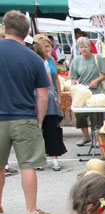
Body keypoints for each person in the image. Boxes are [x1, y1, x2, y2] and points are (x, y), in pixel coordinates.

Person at [0, 10, 53, 214]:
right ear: (27, 32)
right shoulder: (34, 58)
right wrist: (38, 121)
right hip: (24, 116)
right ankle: (31, 210)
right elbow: (43, 95)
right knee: (27, 165)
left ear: (5, 28)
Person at [33, 34, 67, 171]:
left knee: (49, 128)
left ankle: (53, 159)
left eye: (49, 46)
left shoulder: (49, 60)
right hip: (39, 96)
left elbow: (54, 79)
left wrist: (56, 96)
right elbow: (46, 81)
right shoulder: (38, 61)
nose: (48, 48)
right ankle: (41, 159)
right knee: (39, 130)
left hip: (45, 96)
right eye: (45, 46)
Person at [69, 36, 105, 146]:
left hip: (96, 91)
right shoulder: (76, 60)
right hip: (82, 91)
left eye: (86, 47)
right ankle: (86, 136)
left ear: (90, 47)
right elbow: (73, 77)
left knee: (96, 116)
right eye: (81, 47)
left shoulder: (97, 58)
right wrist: (73, 91)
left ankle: (98, 138)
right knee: (80, 116)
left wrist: (96, 81)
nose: (84, 49)